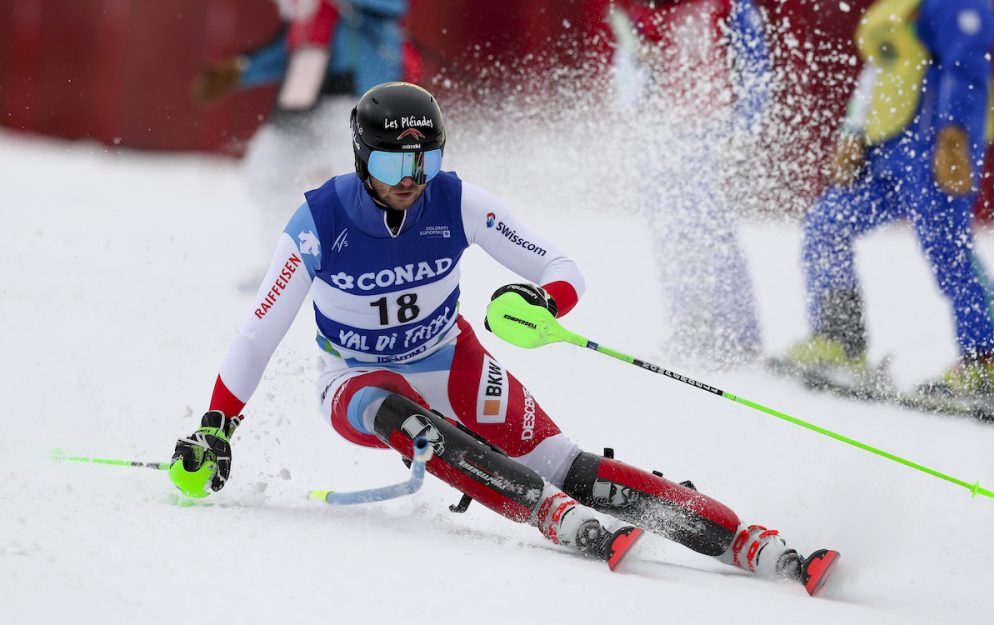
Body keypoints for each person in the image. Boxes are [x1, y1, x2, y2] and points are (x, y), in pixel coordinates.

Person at [167, 82, 839, 594]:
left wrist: (540, 299)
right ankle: (548, 513)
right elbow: (257, 335)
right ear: (361, 157)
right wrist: (216, 427)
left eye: (425, 160)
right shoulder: (319, 222)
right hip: (355, 380)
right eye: (396, 163)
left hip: (451, 357)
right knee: (397, 407)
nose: (412, 179)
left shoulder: (457, 201)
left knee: (569, 463)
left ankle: (753, 542)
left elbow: (562, 268)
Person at [778, 0, 994, 402]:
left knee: (947, 247)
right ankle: (840, 339)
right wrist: (853, 130)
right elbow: (878, 68)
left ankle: (986, 360)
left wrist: (953, 136)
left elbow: (965, 65)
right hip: (886, 144)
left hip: (937, 142)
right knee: (828, 223)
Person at [608, 0, 772, 367]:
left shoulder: (727, 6)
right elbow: (625, 91)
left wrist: (745, 129)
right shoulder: (642, 13)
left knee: (715, 231)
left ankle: (739, 333)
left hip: (713, 130)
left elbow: (756, 66)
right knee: (670, 233)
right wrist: (639, 60)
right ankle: (690, 326)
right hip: (663, 132)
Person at [192, 0, 410, 253]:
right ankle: (285, 261)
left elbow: (394, 6)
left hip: (357, 97)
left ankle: (372, 261)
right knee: (268, 170)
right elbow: (292, 47)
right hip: (303, 99)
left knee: (359, 184)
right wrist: (240, 70)